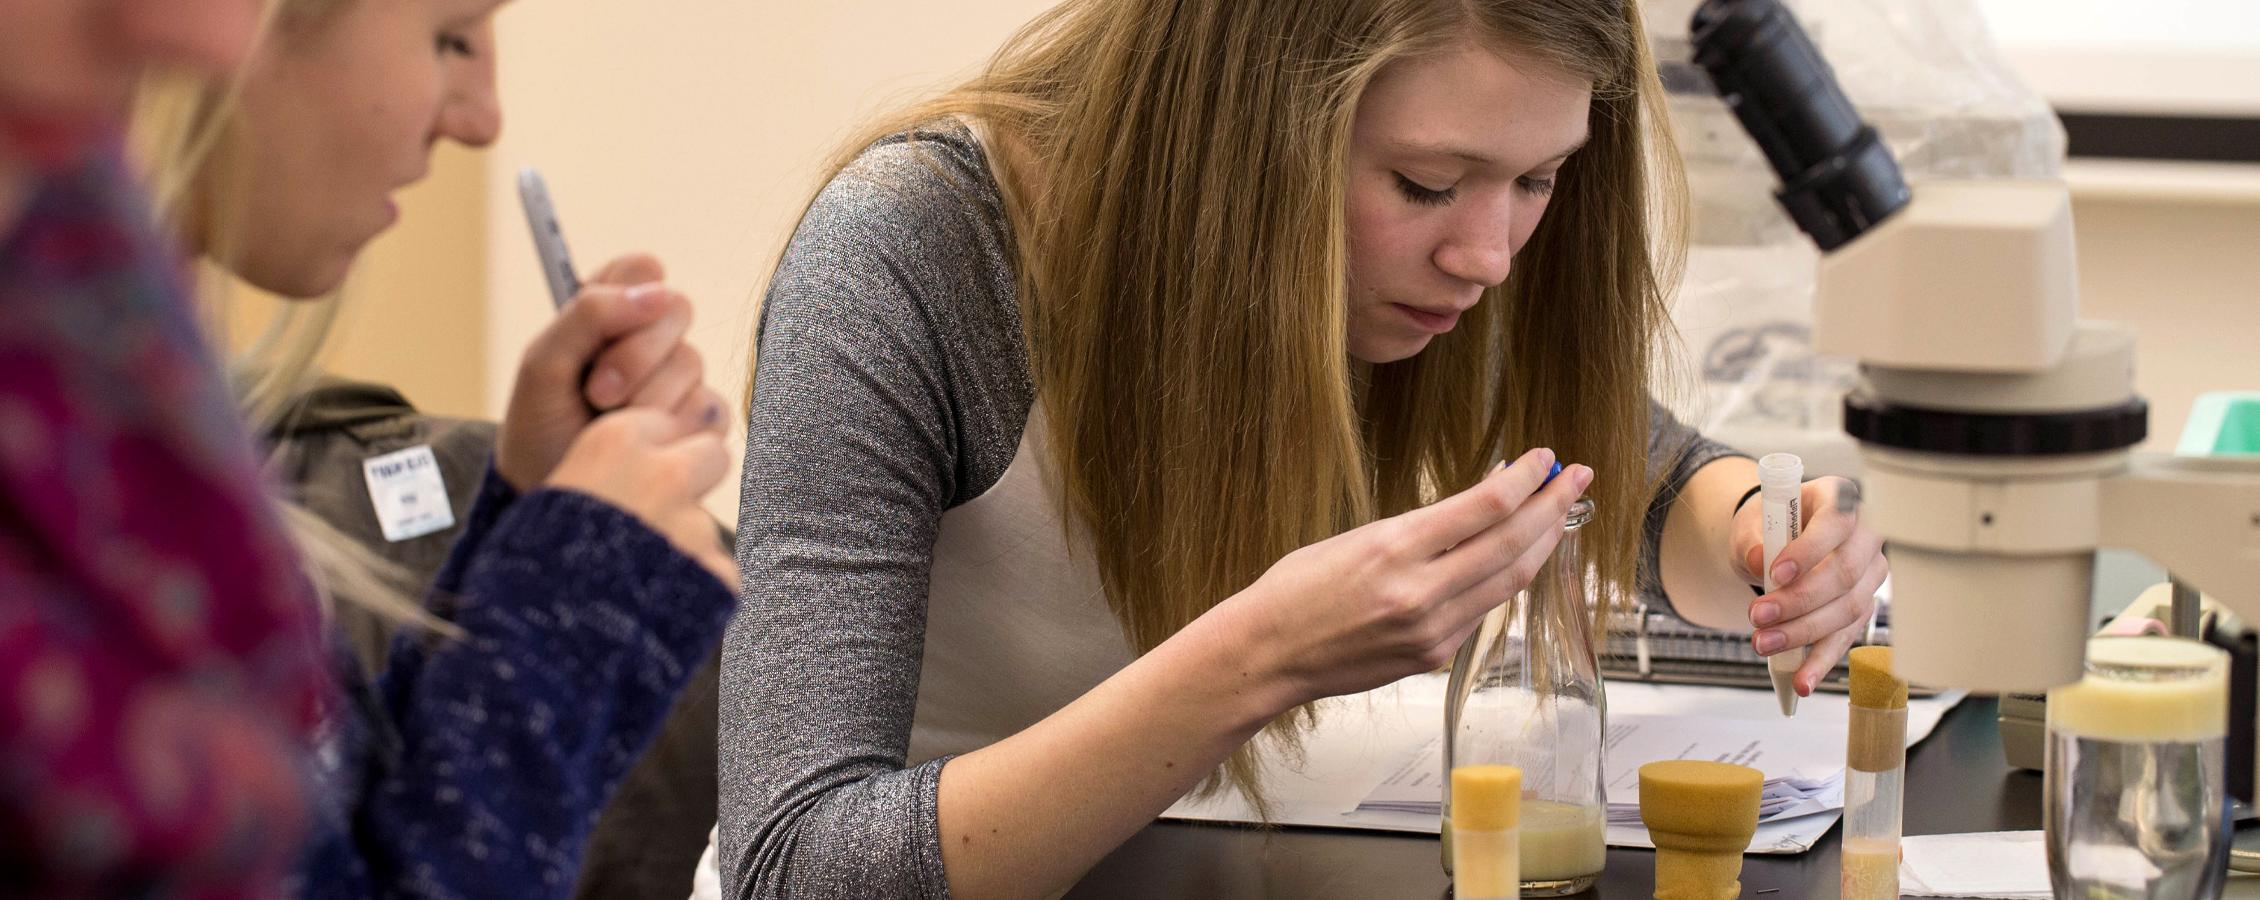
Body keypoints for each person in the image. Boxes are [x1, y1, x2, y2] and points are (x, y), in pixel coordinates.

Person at [714, 0, 1887, 898]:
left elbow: (1649, 480)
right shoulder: (905, 260)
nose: (1486, 254)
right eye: (1427, 183)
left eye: (1536, 180)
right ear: (1245, 132)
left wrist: (1762, 541)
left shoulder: (1403, 269)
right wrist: (1260, 658)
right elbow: (800, 862)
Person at [3, 0, 738, 896]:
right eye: (449, 35)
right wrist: (558, 631)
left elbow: (319, 858)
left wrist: (517, 545)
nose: (482, 121)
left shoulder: (105, 368)